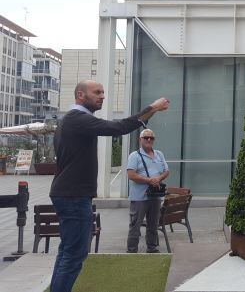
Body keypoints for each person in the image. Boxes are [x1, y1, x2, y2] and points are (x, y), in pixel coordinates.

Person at [49, 80, 169, 292]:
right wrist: (153, 108)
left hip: (70, 194)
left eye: (103, 92)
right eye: (97, 92)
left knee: (69, 252)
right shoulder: (77, 119)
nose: (102, 96)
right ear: (80, 95)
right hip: (73, 196)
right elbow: (118, 127)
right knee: (74, 254)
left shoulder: (74, 120)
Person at [126, 128, 170, 253]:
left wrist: (159, 178)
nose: (149, 140)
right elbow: (131, 175)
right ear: (140, 140)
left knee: (153, 224)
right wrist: (149, 180)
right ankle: (131, 250)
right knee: (135, 225)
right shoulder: (134, 156)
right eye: (146, 137)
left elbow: (166, 171)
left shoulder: (159, 154)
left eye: (151, 138)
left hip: (155, 196)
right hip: (139, 197)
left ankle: (152, 248)